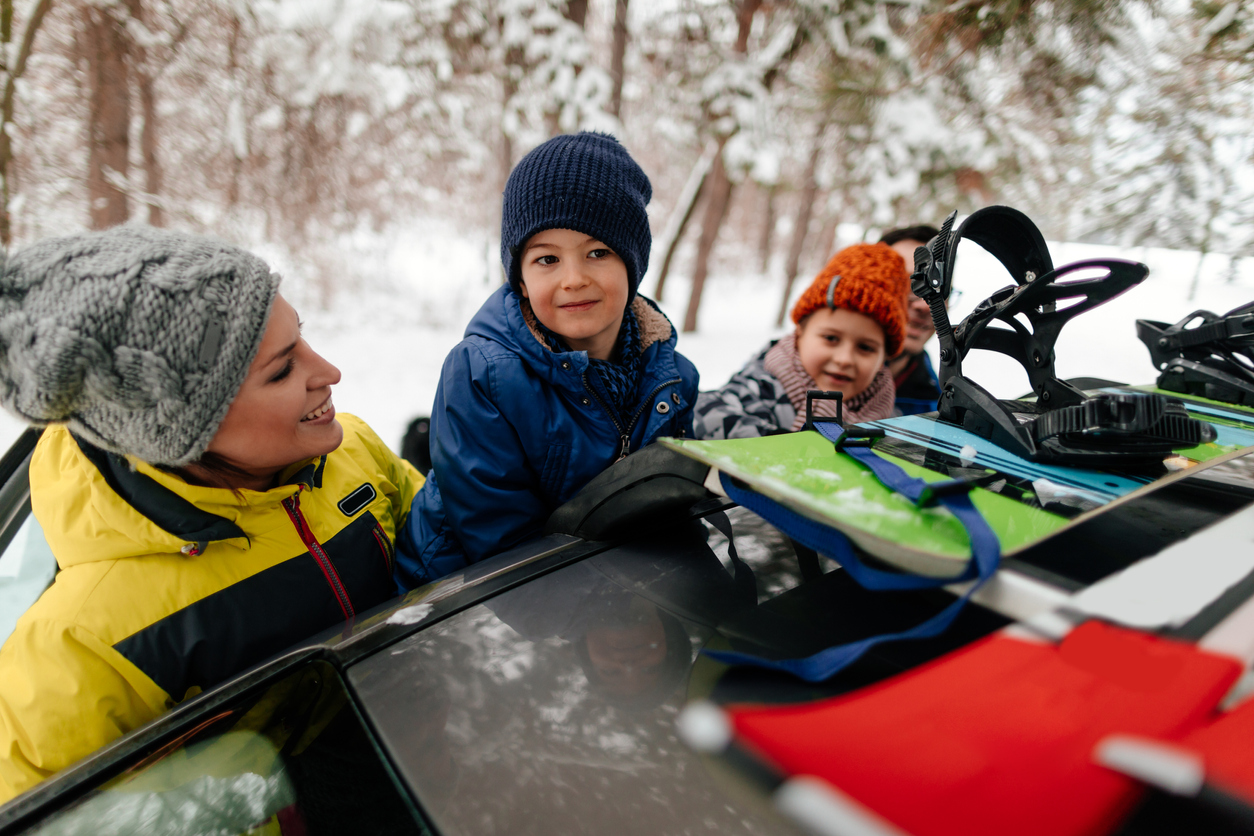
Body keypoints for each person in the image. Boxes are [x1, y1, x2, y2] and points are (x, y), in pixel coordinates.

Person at [0, 227, 423, 802]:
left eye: (303, 336)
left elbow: (457, 554)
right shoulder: (82, 642)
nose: (328, 371)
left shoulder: (355, 454)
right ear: (186, 435)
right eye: (281, 370)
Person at [396, 132, 699, 589]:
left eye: (598, 252)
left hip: (608, 583)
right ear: (520, 279)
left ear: (632, 265)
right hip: (460, 597)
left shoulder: (672, 379)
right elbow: (503, 543)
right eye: (547, 259)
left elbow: (673, 508)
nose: (573, 279)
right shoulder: (483, 375)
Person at [694, 243, 908, 439]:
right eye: (831, 338)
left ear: (884, 356)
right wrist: (781, 444)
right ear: (800, 333)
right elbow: (705, 415)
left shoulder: (893, 423)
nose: (844, 359)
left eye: (865, 348)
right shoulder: (757, 392)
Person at [879, 224, 943, 415]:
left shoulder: (940, 408)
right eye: (907, 284)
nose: (925, 305)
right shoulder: (801, 377)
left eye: (938, 288)